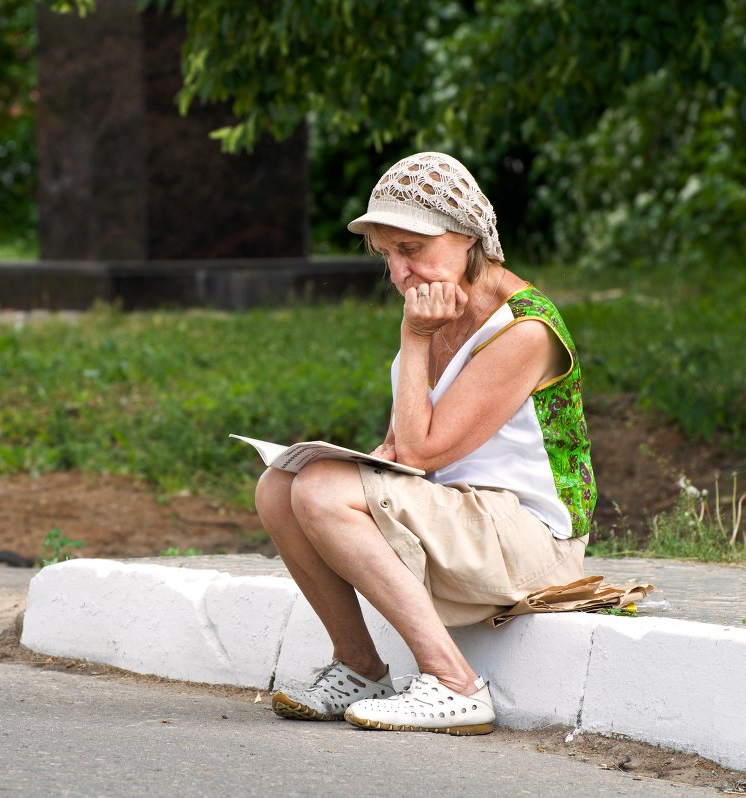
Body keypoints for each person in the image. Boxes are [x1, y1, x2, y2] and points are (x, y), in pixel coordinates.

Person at [255, 151, 595, 736]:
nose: (399, 274)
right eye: (387, 255)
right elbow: (397, 444)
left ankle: (455, 685)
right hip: (464, 518)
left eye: (411, 250)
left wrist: (414, 339)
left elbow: (417, 453)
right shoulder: (440, 308)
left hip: (532, 541)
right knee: (278, 487)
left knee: (319, 492)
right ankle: (359, 669)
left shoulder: (525, 330)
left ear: (466, 236)